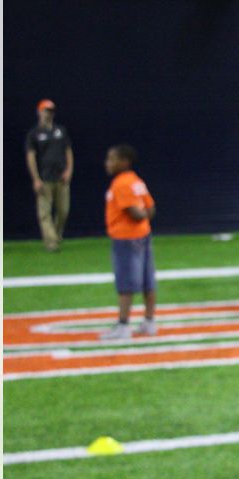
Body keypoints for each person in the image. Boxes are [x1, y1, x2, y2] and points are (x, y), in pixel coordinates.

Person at [100, 145, 156, 340]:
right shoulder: (135, 180)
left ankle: (123, 325)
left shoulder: (121, 183)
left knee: (126, 282)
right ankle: (149, 322)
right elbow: (151, 207)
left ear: (124, 162)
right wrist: (144, 216)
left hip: (126, 237)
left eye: (112, 158)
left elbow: (135, 212)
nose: (108, 163)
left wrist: (140, 216)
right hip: (143, 235)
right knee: (147, 280)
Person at [25, 99, 74, 252]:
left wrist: (69, 170)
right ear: (39, 112)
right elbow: (31, 156)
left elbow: (68, 151)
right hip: (45, 178)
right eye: (46, 110)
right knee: (44, 213)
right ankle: (51, 242)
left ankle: (56, 236)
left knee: (63, 210)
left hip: (61, 177)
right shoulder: (34, 134)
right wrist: (36, 179)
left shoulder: (60, 131)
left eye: (51, 111)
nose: (49, 113)